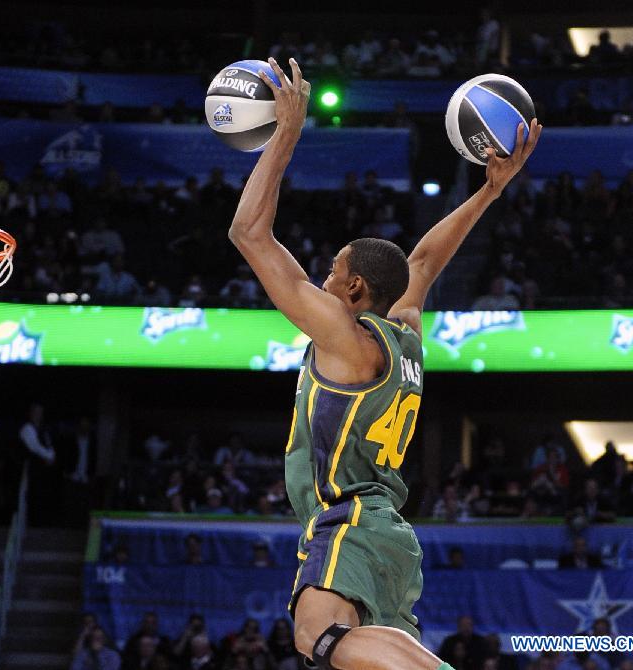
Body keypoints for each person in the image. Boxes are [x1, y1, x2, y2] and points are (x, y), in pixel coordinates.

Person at [229, 56, 541, 670]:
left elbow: (249, 235)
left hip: (350, 517)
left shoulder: (347, 339)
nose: (320, 282)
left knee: (316, 638)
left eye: (332, 274)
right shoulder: (404, 332)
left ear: (352, 293)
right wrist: (490, 190)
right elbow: (422, 263)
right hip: (389, 532)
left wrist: (286, 133)